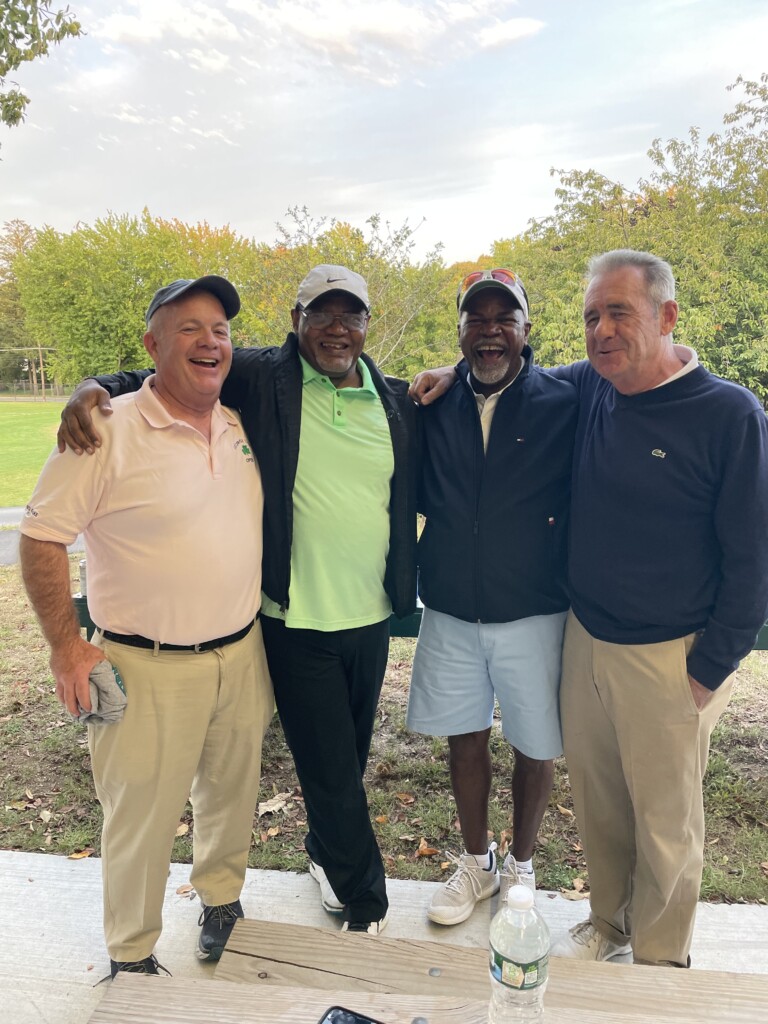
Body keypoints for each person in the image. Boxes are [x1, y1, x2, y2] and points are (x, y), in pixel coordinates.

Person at [412, 249, 768, 967]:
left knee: (665, 823)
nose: (602, 330)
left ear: (666, 317)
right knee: (602, 807)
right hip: (587, 637)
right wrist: (449, 375)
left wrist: (712, 664)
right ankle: (608, 924)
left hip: (673, 656)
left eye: (619, 313)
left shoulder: (728, 413)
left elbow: (754, 554)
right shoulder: (596, 387)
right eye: (592, 317)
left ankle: (661, 963)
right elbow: (504, 373)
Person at [57, 264, 419, 935]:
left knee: (345, 757)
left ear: (367, 326)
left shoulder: (392, 399)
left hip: (368, 617)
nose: (337, 329)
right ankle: (366, 905)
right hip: (293, 619)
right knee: (334, 774)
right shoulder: (265, 376)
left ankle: (315, 859)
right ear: (296, 323)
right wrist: (93, 387)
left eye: (352, 316)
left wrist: (447, 379)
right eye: (322, 314)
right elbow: (163, 373)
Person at [20, 276, 274, 976]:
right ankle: (130, 954)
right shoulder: (104, 427)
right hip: (143, 661)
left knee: (230, 794)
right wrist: (66, 646)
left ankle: (222, 900)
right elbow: (42, 538)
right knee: (140, 820)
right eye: (188, 327)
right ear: (152, 344)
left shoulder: (238, 420)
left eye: (220, 329)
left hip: (240, 652)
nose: (210, 340)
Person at [407, 268, 576, 926]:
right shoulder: (430, 402)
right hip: (450, 607)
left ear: (527, 330)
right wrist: (441, 375)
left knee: (536, 746)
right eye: (476, 319)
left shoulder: (562, 398)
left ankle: (522, 867)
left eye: (504, 318)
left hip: (535, 608)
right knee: (464, 740)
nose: (490, 331)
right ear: (460, 333)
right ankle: (476, 864)